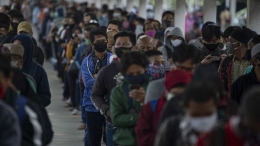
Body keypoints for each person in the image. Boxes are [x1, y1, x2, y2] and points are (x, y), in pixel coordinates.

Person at [91, 31, 136, 146]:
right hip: (113, 123)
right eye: (118, 44)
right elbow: (95, 95)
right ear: (114, 47)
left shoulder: (142, 70)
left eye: (125, 44)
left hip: (138, 123)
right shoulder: (106, 71)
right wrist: (107, 110)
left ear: (134, 47)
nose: (121, 47)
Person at [136, 69, 191, 146]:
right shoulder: (151, 108)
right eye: (175, 94)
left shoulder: (194, 109)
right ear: (166, 91)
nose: (178, 98)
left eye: (182, 94)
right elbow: (142, 138)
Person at [154, 81, 219, 146]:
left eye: (208, 114)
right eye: (196, 115)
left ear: (216, 107)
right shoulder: (171, 129)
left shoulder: (224, 131)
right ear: (185, 109)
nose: (202, 120)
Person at [110, 51, 150, 146]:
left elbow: (160, 114)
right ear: (125, 72)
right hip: (125, 141)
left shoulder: (154, 88)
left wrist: (146, 101)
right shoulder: (118, 92)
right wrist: (142, 117)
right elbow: (116, 119)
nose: (135, 76)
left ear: (145, 69)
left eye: (138, 72)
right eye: (131, 74)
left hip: (149, 140)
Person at [81, 27, 112, 146]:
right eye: (98, 42)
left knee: (109, 139)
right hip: (91, 105)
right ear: (93, 44)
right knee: (94, 139)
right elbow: (88, 82)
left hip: (110, 104)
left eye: (103, 41)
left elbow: (115, 80)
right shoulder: (86, 61)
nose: (101, 43)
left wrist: (97, 77)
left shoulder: (112, 59)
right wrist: (106, 79)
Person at [11, 34, 51, 107]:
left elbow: (45, 98)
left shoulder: (38, 70)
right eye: (14, 45)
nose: (16, 48)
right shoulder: (6, 68)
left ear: (27, 48)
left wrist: (30, 103)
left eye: (19, 45)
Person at [219, 28, 251, 96]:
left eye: (230, 41)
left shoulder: (253, 62)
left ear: (239, 44)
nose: (227, 44)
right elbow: (220, 84)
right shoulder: (226, 62)